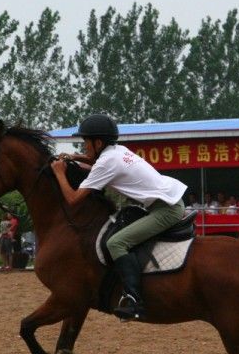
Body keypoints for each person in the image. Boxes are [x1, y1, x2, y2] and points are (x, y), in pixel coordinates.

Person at [51, 113, 186, 321]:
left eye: (86, 143)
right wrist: (75, 158)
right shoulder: (116, 152)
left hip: (166, 210)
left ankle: (134, 300)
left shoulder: (106, 162)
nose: (84, 147)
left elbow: (73, 199)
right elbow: (93, 163)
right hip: (167, 201)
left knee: (116, 243)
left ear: (98, 143)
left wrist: (59, 173)